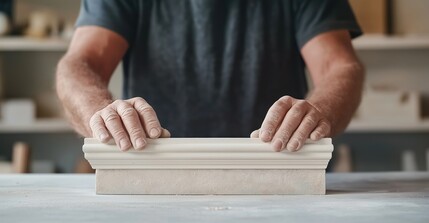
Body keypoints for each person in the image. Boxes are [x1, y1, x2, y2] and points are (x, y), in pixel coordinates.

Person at [56, 0, 364, 152]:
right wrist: (101, 114)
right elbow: (79, 64)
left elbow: (339, 67)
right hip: (153, 169)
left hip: (280, 165)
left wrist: (320, 111)